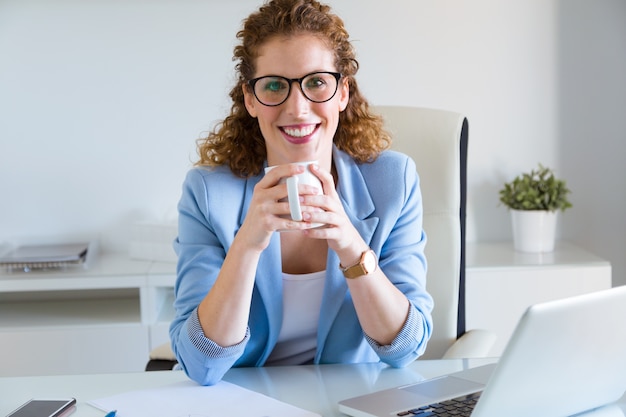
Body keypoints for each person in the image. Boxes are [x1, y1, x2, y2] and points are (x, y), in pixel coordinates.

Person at [170, 0, 433, 386]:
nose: (297, 108)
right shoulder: (209, 194)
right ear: (250, 98)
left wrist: (350, 246)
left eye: (316, 82)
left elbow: (406, 348)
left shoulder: (393, 182)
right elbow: (201, 365)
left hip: (347, 403)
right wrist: (247, 244)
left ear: (342, 92)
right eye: (274, 85)